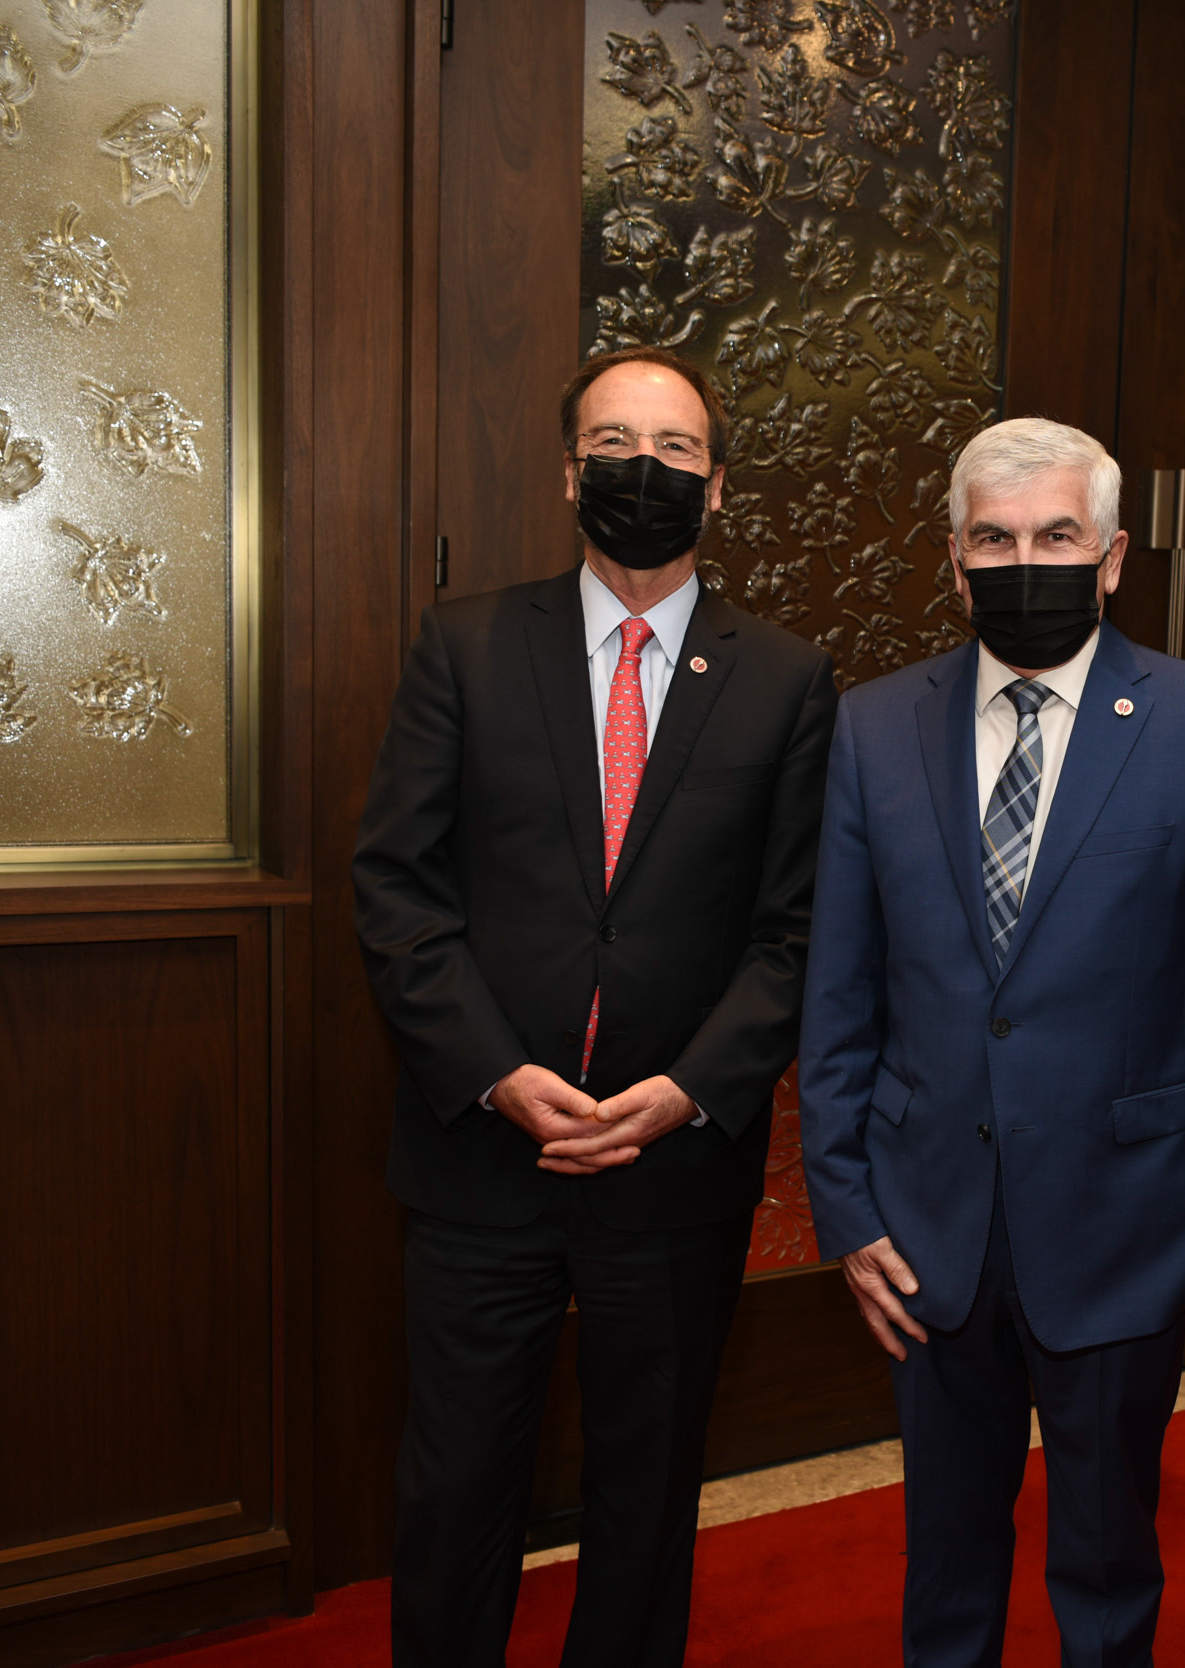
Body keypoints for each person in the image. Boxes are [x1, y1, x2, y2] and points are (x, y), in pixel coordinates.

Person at [800, 417, 1185, 1667]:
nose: (1023, 561)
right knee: (946, 1568)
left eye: (1055, 536)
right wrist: (845, 1200)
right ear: (955, 560)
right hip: (929, 1232)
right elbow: (840, 985)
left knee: (1104, 1566)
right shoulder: (872, 728)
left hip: (1128, 1224)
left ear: (1114, 555)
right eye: (995, 538)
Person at [353, 345, 835, 1667]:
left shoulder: (789, 681)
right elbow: (396, 887)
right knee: (455, 1495)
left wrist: (688, 1091)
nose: (645, 471)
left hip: (672, 1169)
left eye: (676, 450)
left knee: (647, 1497)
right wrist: (501, 1075)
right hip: (479, 1158)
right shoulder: (463, 647)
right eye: (614, 444)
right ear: (571, 471)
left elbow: (798, 932)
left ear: (720, 486)